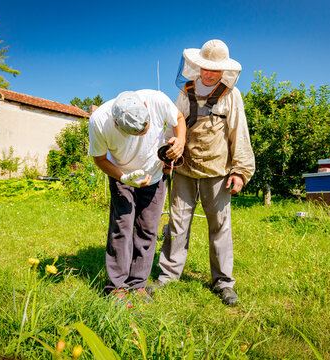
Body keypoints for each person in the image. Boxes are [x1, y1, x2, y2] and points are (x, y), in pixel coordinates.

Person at [148, 39, 255, 306]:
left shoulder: (231, 95)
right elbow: (174, 127)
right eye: (204, 68)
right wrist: (167, 153)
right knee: (177, 223)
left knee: (220, 226)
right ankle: (168, 276)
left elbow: (238, 134)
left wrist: (240, 172)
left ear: (223, 70)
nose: (208, 73)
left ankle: (223, 282)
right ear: (197, 65)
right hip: (184, 168)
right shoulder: (185, 93)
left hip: (217, 171)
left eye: (214, 69)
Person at [88, 90, 185, 307]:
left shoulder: (157, 100)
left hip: (155, 176)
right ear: (115, 121)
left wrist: (180, 141)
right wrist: (124, 178)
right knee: (122, 227)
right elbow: (100, 158)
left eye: (144, 128)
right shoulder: (99, 121)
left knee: (148, 229)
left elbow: (178, 118)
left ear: (145, 105)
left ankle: (138, 283)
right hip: (122, 175)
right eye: (133, 132)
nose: (141, 135)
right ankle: (116, 287)